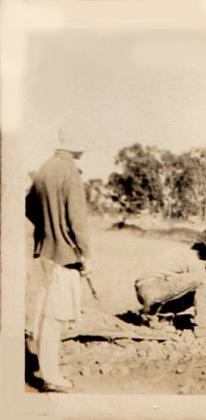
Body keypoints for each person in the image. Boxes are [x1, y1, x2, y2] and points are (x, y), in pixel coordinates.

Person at [25, 124, 95, 391]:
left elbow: (28, 206)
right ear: (75, 144)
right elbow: (78, 222)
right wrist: (86, 255)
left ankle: (44, 367)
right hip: (65, 256)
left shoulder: (44, 168)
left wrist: (47, 230)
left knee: (43, 313)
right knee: (55, 317)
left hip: (43, 252)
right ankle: (50, 377)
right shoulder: (70, 173)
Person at [134, 227, 206, 336]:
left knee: (191, 292)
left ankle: (156, 316)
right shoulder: (193, 257)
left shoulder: (182, 252)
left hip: (147, 291)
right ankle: (203, 329)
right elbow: (203, 287)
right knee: (202, 283)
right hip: (153, 289)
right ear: (204, 247)